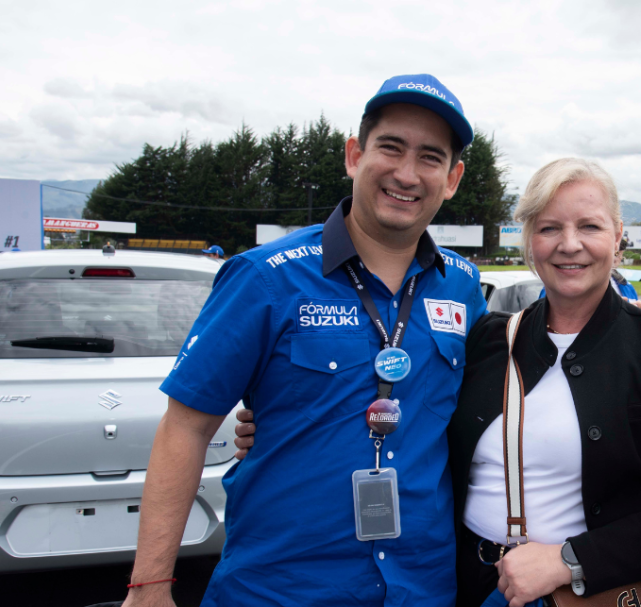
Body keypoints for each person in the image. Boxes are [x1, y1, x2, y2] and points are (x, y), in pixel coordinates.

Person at [123, 73, 484, 607]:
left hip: (422, 587)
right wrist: (149, 586)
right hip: (281, 589)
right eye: (391, 147)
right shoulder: (264, 277)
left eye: (430, 157)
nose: (407, 173)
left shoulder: (464, 284)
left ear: (451, 178)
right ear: (354, 155)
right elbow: (186, 427)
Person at [450, 158, 641, 607]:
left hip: (589, 596)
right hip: (469, 587)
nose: (570, 245)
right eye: (549, 228)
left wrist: (568, 560)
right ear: (529, 240)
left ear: (618, 235)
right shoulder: (487, 339)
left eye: (589, 226)